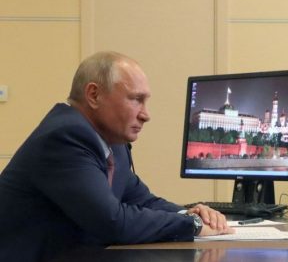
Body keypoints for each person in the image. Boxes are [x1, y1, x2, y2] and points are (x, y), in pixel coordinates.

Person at [0, 51, 233, 261]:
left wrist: (189, 213)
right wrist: (190, 224)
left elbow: (141, 199)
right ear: (94, 95)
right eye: (135, 99)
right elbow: (112, 221)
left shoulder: (111, 142)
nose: (146, 115)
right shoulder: (64, 138)